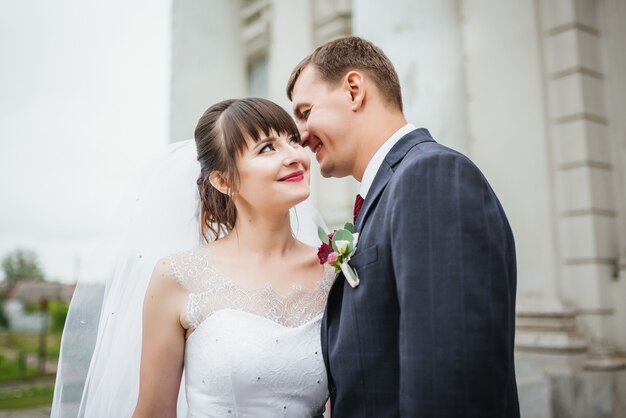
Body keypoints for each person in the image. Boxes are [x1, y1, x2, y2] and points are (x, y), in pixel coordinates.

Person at [52, 98, 332, 417]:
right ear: (224, 180)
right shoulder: (178, 277)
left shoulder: (334, 271)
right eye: (268, 148)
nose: (294, 156)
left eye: (293, 140)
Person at [287, 36, 520, 417]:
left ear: (353, 90)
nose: (300, 134)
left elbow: (450, 382)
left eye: (306, 111)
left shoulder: (431, 176)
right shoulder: (391, 190)